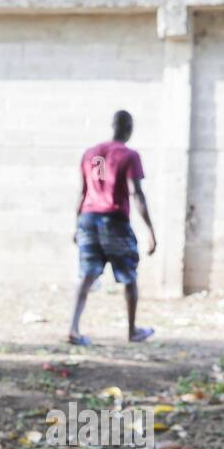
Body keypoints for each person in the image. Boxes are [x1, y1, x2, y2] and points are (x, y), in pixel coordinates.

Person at [68, 110, 157, 346]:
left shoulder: (92, 154)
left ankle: (73, 329)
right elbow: (136, 193)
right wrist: (150, 230)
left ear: (112, 125)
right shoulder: (129, 155)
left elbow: (84, 192)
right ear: (129, 128)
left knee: (87, 274)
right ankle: (132, 330)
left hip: (88, 218)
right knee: (129, 275)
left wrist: (77, 225)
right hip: (114, 220)